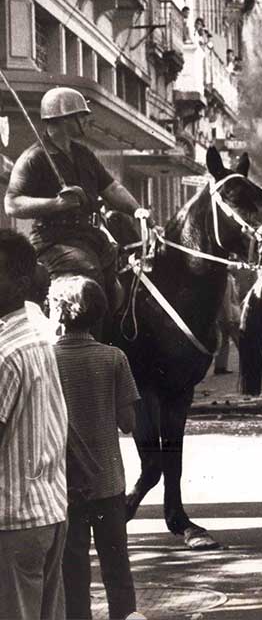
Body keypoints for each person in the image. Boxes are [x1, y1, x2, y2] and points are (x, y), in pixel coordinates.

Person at [4, 87, 151, 317]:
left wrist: (137, 210)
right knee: (88, 276)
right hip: (54, 240)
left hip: (90, 236)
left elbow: (112, 188)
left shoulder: (84, 154)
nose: (85, 119)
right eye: (80, 115)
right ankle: (86, 344)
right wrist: (56, 204)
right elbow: (12, 204)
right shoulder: (34, 157)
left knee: (126, 274)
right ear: (64, 118)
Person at [49, 275, 140, 620]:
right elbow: (128, 423)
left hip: (65, 486)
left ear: (57, 313)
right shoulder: (114, 358)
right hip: (109, 485)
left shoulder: (46, 360)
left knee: (73, 574)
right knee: (117, 569)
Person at [0, 229, 68, 620]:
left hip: (13, 518)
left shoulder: (7, 354)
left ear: (22, 282)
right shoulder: (41, 330)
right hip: (49, 510)